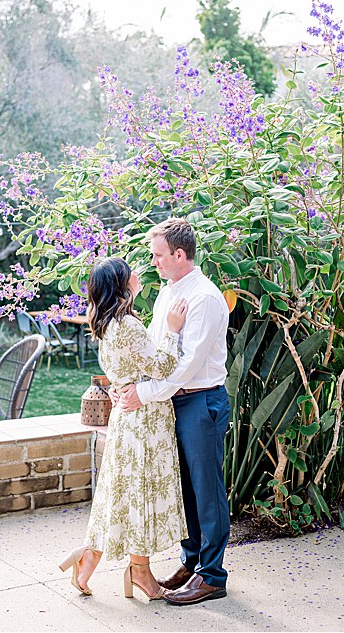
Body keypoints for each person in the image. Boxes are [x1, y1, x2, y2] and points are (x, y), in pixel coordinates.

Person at [114, 217, 231, 605]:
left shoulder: (206, 298)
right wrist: (131, 384)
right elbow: (158, 349)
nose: (154, 262)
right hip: (172, 402)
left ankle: (212, 576)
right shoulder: (169, 291)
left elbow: (187, 367)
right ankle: (193, 562)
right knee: (185, 490)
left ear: (180, 254)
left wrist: (143, 394)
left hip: (200, 401)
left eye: (159, 255)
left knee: (207, 492)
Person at [59, 256, 188, 600]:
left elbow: (124, 370)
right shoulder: (127, 324)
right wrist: (173, 331)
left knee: (121, 493)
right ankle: (140, 573)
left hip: (126, 419)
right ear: (121, 283)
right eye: (129, 271)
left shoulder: (106, 324)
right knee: (140, 494)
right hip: (144, 420)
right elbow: (161, 367)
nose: (137, 272)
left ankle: (89, 558)